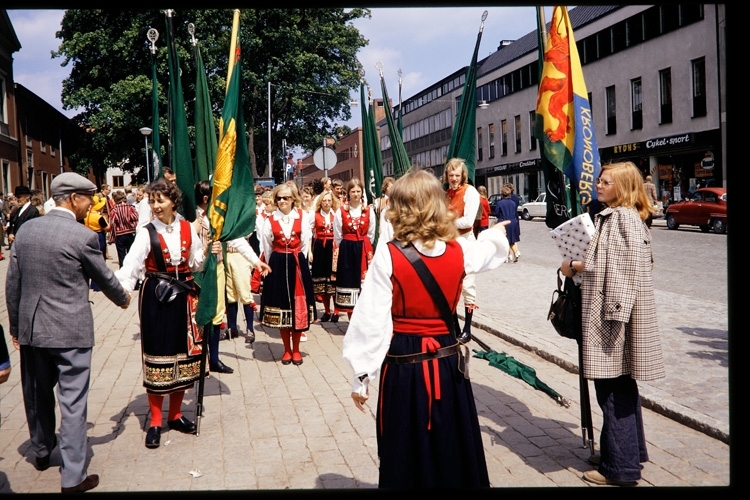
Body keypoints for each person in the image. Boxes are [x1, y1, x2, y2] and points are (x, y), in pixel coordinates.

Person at [343, 169, 510, 488]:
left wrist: (361, 379)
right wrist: (496, 236)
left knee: (407, 448)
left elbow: (371, 319)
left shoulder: (389, 255)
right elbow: (489, 252)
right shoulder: (459, 250)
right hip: (447, 363)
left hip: (405, 362)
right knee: (451, 445)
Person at [6, 172, 130, 493]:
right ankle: (73, 477)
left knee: (37, 395)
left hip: (34, 330)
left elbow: (13, 284)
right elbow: (104, 277)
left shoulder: (26, 231)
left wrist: (16, 329)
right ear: (74, 199)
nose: (91, 203)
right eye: (88, 197)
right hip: (72, 331)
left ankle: (43, 451)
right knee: (73, 403)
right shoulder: (82, 236)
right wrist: (124, 298)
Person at [561, 161, 663, 487]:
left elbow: (619, 272)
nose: (599, 186)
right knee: (621, 388)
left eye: (605, 182)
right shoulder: (626, 217)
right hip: (616, 314)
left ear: (622, 187)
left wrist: (573, 266)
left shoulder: (619, 219)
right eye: (599, 180)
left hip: (611, 318)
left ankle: (620, 469)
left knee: (611, 390)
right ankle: (626, 453)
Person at [115, 178, 209, 449]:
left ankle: (176, 415)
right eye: (152, 201)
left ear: (173, 202)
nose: (155, 206)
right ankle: (155, 420)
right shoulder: (146, 232)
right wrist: (121, 291)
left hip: (185, 296)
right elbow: (131, 265)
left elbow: (195, 262)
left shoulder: (188, 228)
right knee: (158, 357)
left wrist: (209, 249)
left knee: (183, 355)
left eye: (160, 200)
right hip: (156, 297)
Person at [259, 183, 315, 365]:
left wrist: (301, 261)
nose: (282, 201)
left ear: (293, 199)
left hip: (297, 263)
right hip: (277, 263)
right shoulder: (270, 219)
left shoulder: (302, 217)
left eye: (286, 198)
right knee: (282, 306)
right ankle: (286, 350)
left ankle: (297, 349)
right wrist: (270, 265)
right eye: (279, 198)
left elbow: (306, 242)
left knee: (298, 306)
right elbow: (266, 246)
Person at [444, 158, 481, 342]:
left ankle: (467, 328)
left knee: (467, 284)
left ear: (462, 175)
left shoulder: (470, 192)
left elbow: (467, 221)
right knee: (449, 285)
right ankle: (454, 326)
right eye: (451, 175)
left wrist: (445, 222)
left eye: (457, 175)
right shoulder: (446, 194)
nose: (454, 179)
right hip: (449, 242)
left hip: (465, 241)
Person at [333, 178, 376, 320]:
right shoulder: (341, 212)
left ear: (362, 193)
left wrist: (364, 247)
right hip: (347, 250)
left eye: (358, 191)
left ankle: (364, 321)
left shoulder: (369, 211)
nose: (356, 194)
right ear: (349, 193)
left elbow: (371, 233)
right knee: (349, 283)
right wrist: (346, 246)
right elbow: (338, 234)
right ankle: (351, 320)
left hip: (364, 249)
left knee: (365, 284)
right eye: (353, 191)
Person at [311, 190, 341, 322]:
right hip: (320, 248)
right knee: (322, 282)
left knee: (334, 280)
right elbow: (307, 233)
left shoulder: (337, 214)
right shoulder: (315, 215)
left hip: (333, 248)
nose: (327, 203)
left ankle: (336, 311)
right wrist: (309, 251)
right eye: (324, 200)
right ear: (320, 202)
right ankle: (327, 311)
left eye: (329, 200)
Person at [108, 189, 139, 267]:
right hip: (131, 233)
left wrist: (111, 237)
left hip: (120, 235)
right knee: (131, 255)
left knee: (121, 257)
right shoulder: (131, 207)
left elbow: (112, 224)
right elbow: (135, 218)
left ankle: (123, 273)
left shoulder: (114, 210)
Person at [495, 184, 521, 262]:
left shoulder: (500, 203)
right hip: (513, 222)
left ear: (502, 194)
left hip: (504, 221)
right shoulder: (513, 203)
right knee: (512, 240)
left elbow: (496, 213)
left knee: (504, 240)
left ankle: (507, 256)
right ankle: (516, 252)